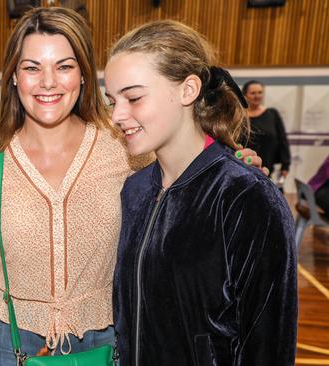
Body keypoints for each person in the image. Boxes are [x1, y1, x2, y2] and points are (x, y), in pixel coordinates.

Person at [0, 8, 265, 365]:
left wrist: (232, 168)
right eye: (31, 67)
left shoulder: (124, 146)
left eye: (64, 66)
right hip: (5, 344)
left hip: (103, 339)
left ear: (83, 74)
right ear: (13, 76)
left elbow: (187, 174)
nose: (48, 83)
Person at [106, 20, 297, 365]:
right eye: (112, 100)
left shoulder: (246, 196)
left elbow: (268, 345)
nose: (118, 115)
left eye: (133, 97)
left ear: (188, 89)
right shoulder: (134, 190)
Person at [242, 80, 291, 178]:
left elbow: (282, 139)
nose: (257, 96)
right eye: (253, 93)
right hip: (243, 169)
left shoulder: (272, 114)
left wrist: (285, 165)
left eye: (260, 92)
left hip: (266, 171)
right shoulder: (239, 115)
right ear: (245, 95)